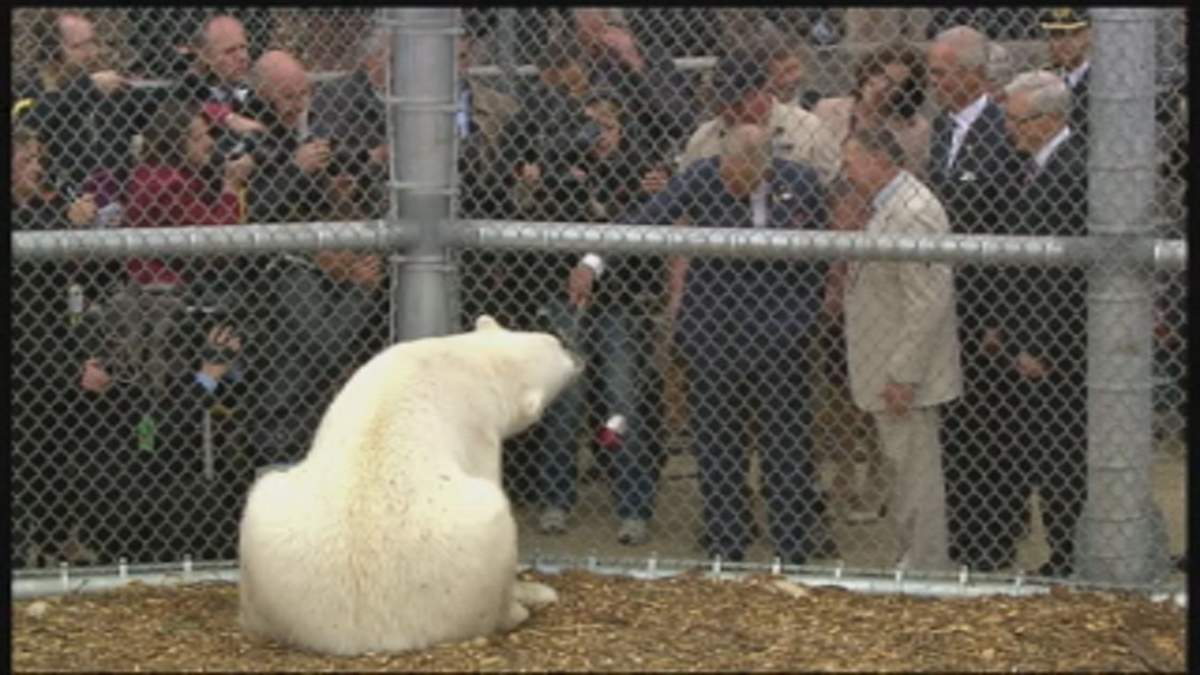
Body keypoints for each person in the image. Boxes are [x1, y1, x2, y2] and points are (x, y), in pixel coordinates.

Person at [627, 123, 834, 565]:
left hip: (782, 339)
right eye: (724, 169)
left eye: (736, 174)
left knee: (787, 446)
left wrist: (804, 317)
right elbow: (648, 218)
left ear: (761, 169)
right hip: (715, 336)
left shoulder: (800, 183)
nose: (726, 180)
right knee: (718, 445)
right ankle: (726, 543)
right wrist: (591, 257)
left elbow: (822, 255)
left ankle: (790, 545)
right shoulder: (703, 176)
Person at [532, 89, 666, 545]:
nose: (599, 138)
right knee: (565, 401)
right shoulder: (561, 164)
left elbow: (635, 223)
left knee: (620, 401)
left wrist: (594, 259)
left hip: (620, 300)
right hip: (563, 299)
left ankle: (633, 505)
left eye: (608, 128)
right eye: (591, 127)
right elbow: (545, 215)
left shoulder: (639, 169)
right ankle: (556, 499)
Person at [242, 50, 385, 467]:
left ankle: (308, 449)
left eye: (305, 91)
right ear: (264, 94)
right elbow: (256, 213)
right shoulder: (250, 131)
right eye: (287, 95)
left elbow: (341, 176)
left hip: (322, 256)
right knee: (319, 345)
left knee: (316, 349)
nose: (299, 102)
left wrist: (344, 190)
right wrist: (296, 169)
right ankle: (282, 453)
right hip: (276, 263)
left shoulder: (315, 124)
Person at [925, 25, 1025, 572]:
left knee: (992, 425)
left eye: (942, 73)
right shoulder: (945, 129)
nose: (933, 83)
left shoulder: (1001, 130)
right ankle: (963, 534)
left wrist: (999, 318)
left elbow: (1008, 227)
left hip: (987, 307)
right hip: (950, 301)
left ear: (972, 74)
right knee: (958, 423)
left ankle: (993, 538)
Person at [839, 126, 961, 571]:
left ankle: (925, 564)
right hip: (887, 362)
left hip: (904, 371)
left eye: (851, 162)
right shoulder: (887, 205)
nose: (846, 172)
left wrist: (904, 373)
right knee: (902, 468)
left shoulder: (912, 211)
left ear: (878, 159)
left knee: (915, 474)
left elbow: (927, 301)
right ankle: (911, 557)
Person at [1000, 70, 1090, 578]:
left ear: (1051, 119)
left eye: (1018, 119)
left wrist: (1040, 345)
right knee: (1046, 453)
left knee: (1061, 458)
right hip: (1031, 334)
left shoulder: (1071, 171)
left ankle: (1071, 558)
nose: (1010, 128)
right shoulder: (1032, 166)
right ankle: (1063, 553)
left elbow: (1065, 281)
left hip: (1058, 347)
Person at [679, 48, 840, 187]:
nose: (728, 111)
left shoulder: (808, 127)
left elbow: (831, 191)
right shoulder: (704, 136)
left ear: (765, 90)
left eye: (738, 103)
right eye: (722, 102)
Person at [1039, 8, 1091, 138]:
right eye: (1058, 35)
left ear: (1087, 36)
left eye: (1074, 35)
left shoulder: (1101, 80)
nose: (1065, 43)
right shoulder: (1043, 79)